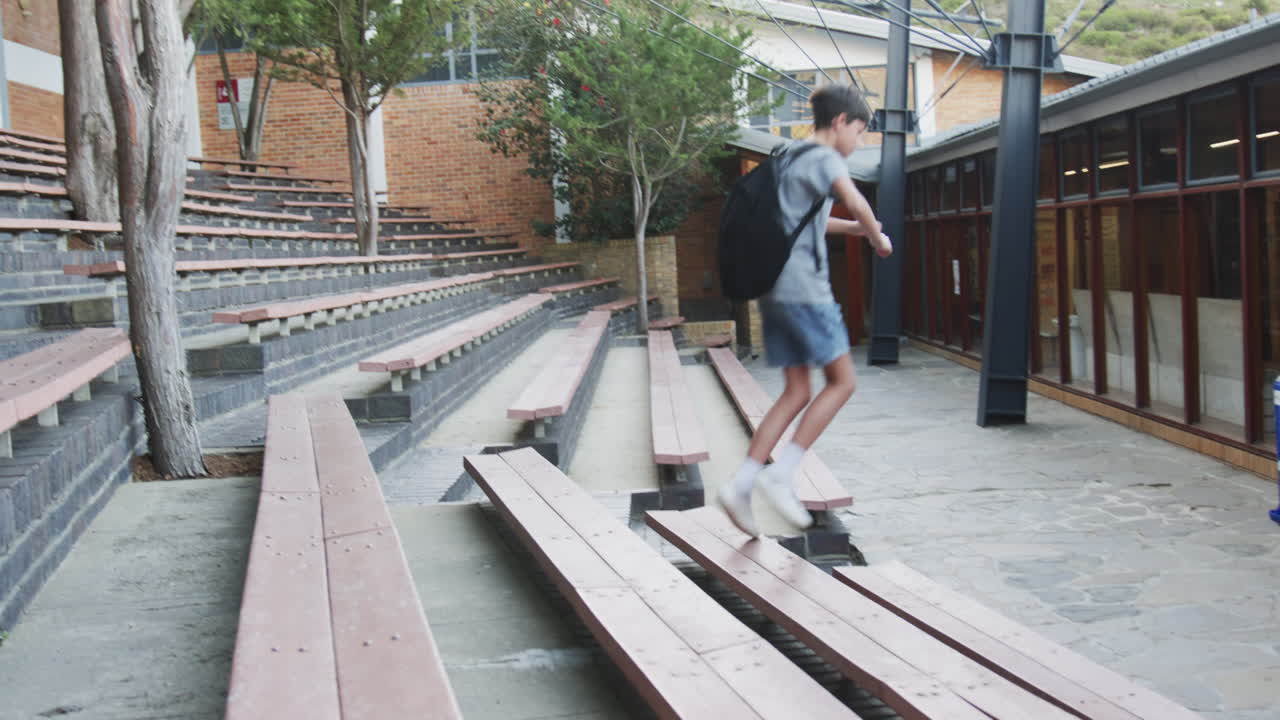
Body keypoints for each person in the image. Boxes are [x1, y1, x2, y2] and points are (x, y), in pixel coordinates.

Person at [718, 84, 893, 537]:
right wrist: (877, 237)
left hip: (775, 291)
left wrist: (854, 230)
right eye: (859, 130)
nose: (859, 141)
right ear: (839, 123)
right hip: (807, 293)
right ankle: (781, 473)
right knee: (843, 381)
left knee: (797, 390)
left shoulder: (790, 156)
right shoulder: (827, 159)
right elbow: (856, 199)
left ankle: (741, 485)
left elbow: (809, 219)